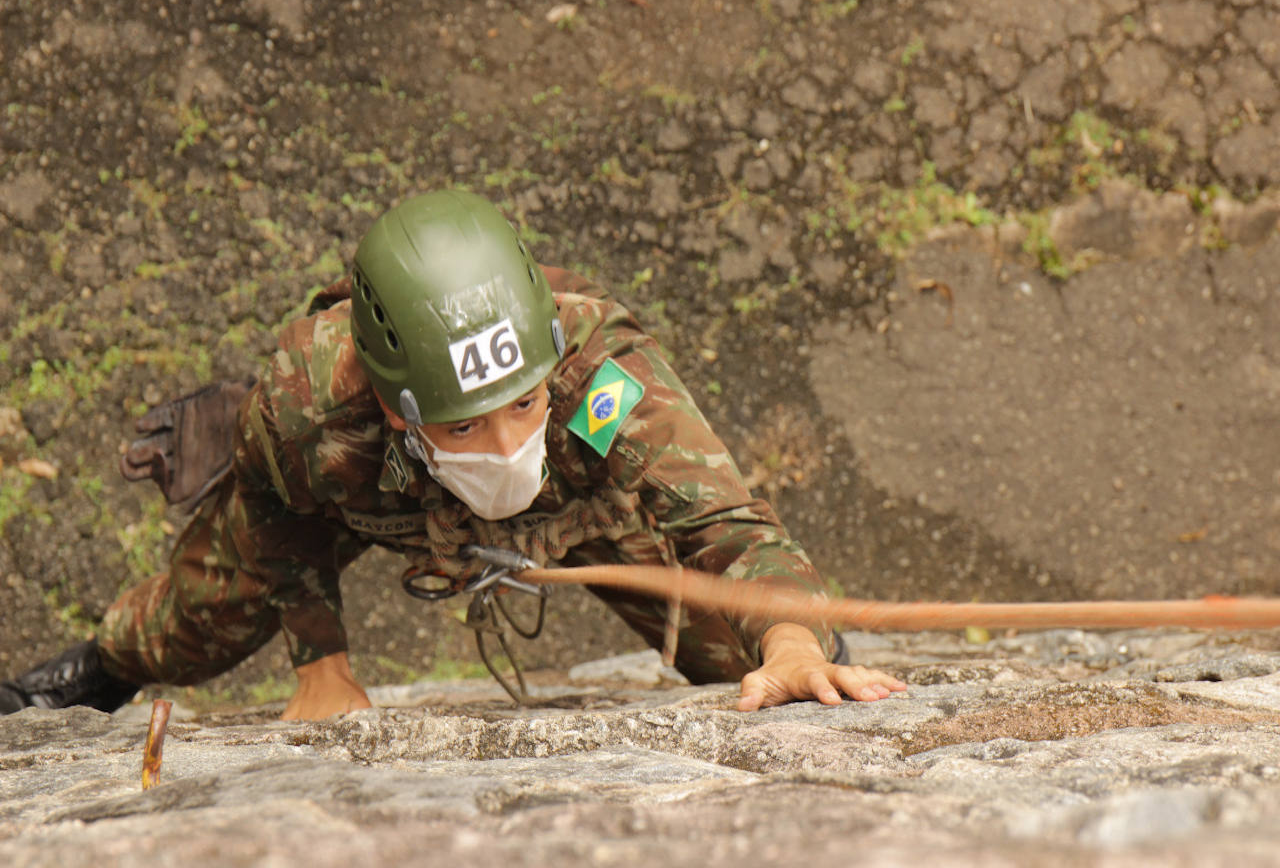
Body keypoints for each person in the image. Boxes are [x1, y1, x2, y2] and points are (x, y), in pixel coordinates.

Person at [0, 190, 905, 720]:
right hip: (376, 489)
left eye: (520, 405)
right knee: (189, 625)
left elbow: (730, 529)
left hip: (572, 502)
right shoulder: (310, 405)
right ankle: (87, 678)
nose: (505, 443)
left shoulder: (601, 376)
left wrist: (791, 634)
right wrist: (321, 660)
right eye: (467, 424)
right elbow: (278, 516)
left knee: (736, 656)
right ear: (396, 407)